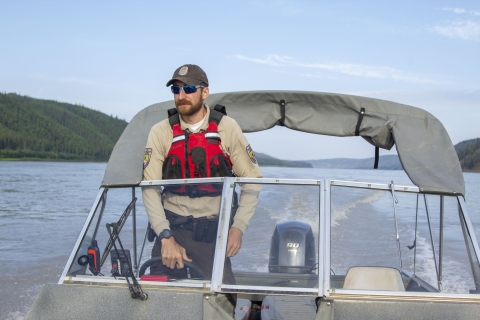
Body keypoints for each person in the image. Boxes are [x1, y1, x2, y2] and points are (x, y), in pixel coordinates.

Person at [142, 64, 262, 283]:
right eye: (176, 90)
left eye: (188, 89)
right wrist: (165, 237)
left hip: (211, 234)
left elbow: (252, 181)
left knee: (223, 302)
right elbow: (149, 187)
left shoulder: (227, 127)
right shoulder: (160, 131)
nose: (181, 96)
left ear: (204, 92)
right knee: (160, 302)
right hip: (170, 230)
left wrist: (237, 228)